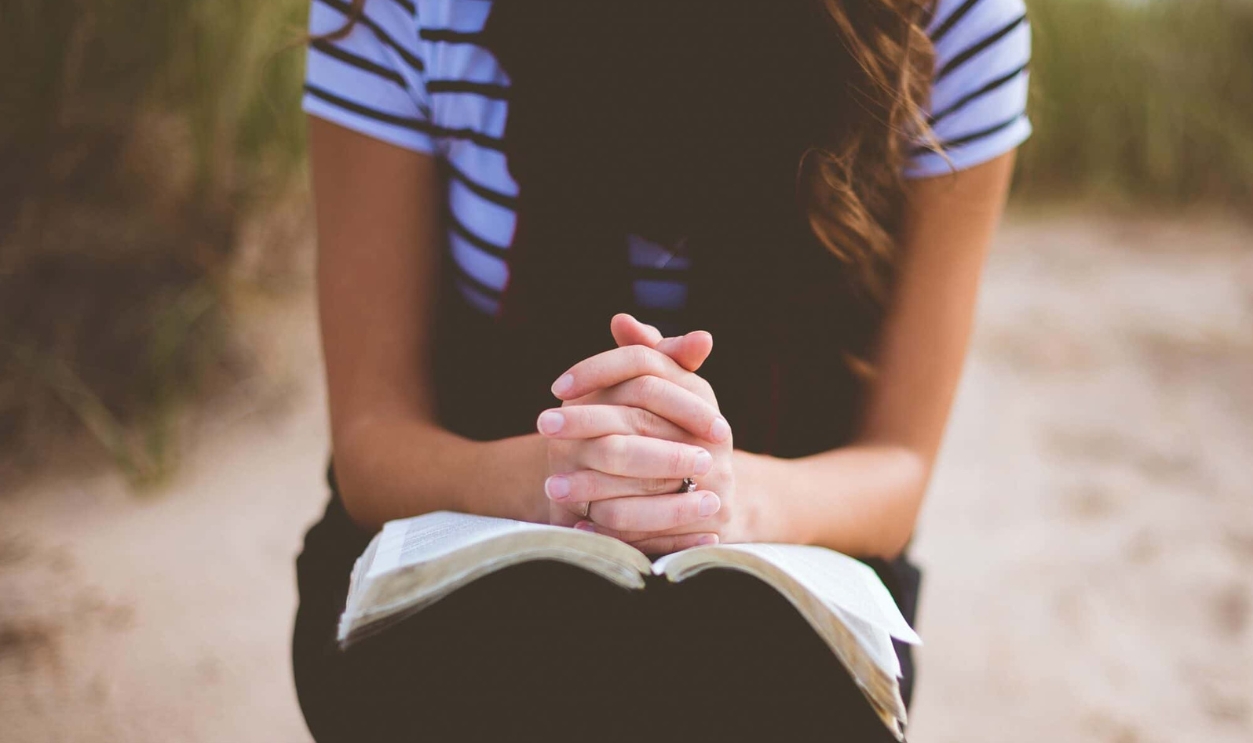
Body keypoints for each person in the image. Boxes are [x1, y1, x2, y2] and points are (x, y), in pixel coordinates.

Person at [291, 0, 1032, 740]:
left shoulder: (952, 16)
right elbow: (370, 440)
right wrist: (564, 482)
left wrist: (723, 499)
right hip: (472, 498)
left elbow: (897, 462)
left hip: (789, 529)